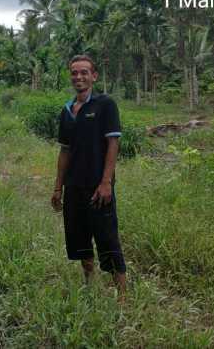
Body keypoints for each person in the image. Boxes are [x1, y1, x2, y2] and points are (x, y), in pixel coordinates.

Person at [51, 55, 127, 298]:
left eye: (84, 72)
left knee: (107, 239)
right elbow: (65, 151)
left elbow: (113, 143)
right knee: (78, 237)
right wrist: (57, 188)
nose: (79, 77)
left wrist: (106, 182)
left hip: (98, 187)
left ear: (94, 76)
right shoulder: (67, 110)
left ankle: (124, 296)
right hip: (73, 187)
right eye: (74, 73)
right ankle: (89, 284)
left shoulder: (105, 105)